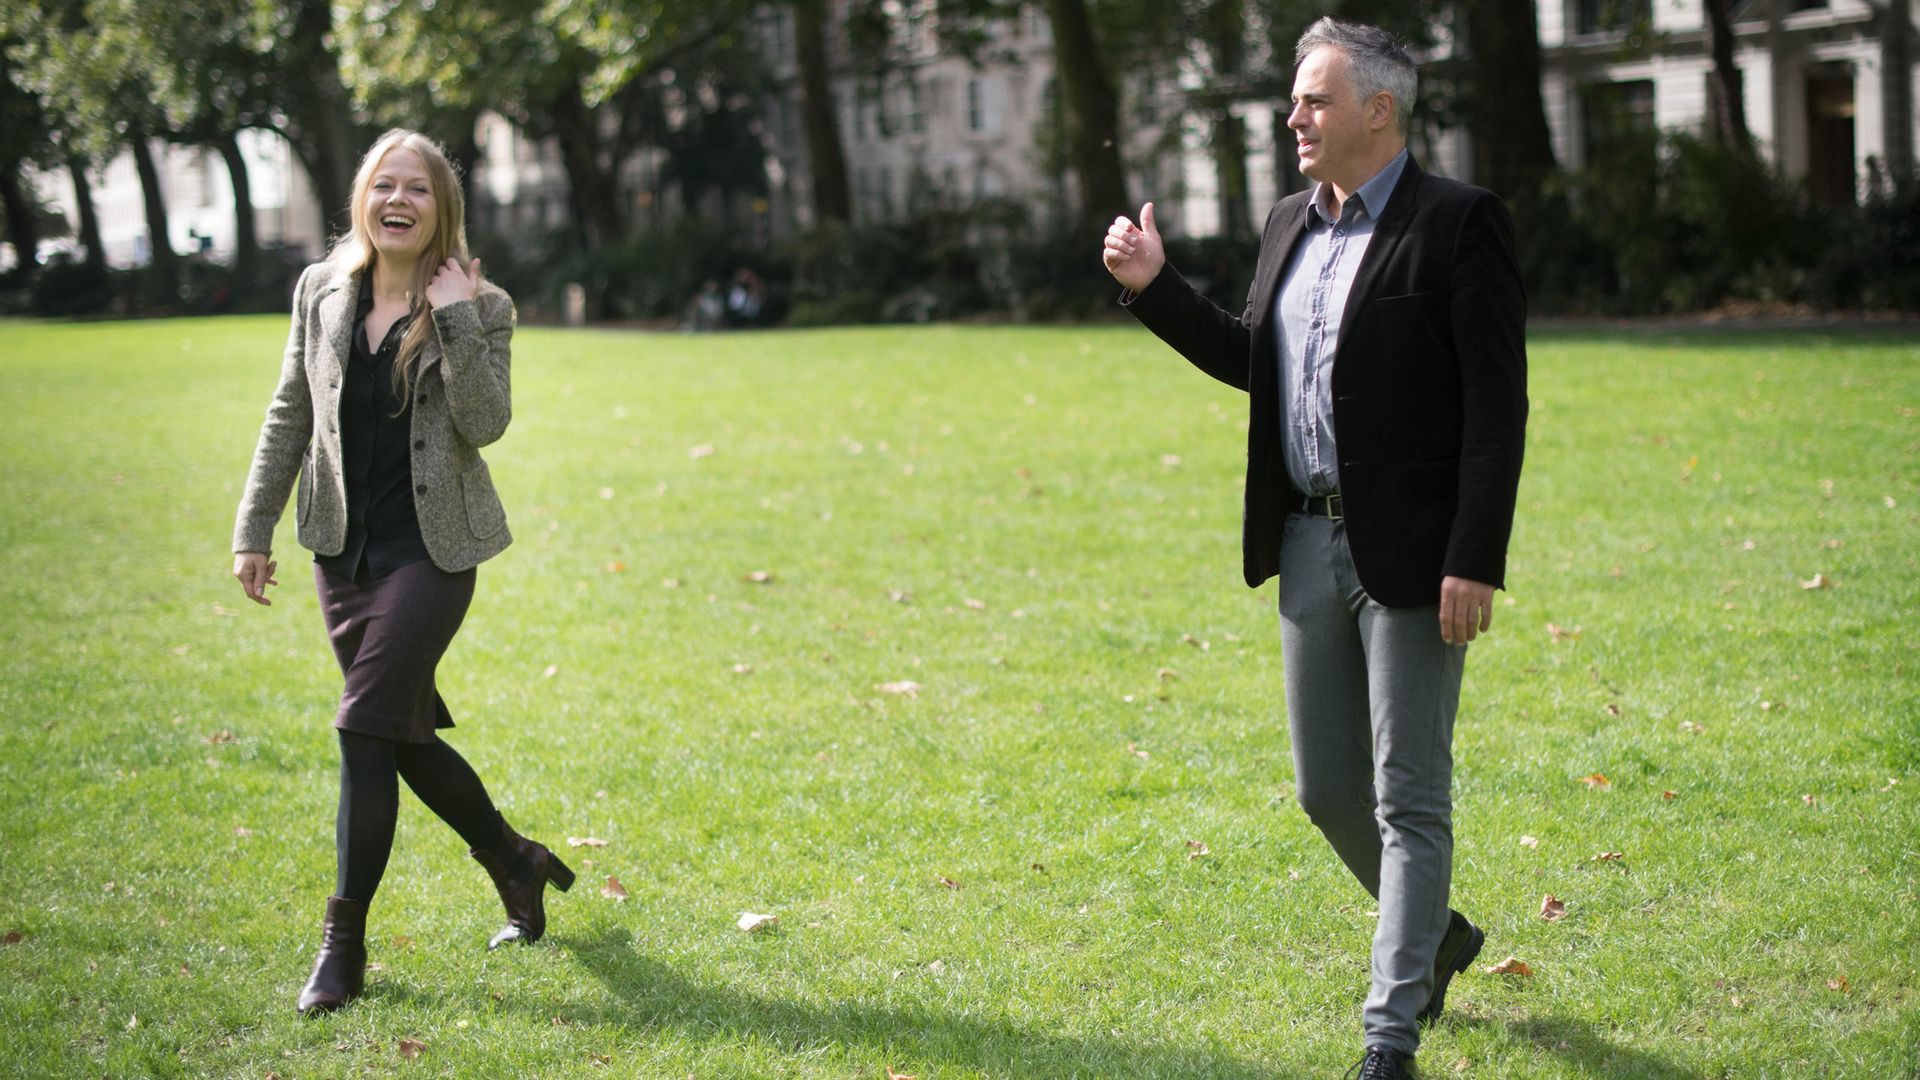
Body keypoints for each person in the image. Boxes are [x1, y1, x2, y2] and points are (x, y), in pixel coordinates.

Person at [1101, 18, 1527, 1079]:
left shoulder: (1459, 224)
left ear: (1379, 111)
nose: (1294, 116)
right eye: (1296, 100)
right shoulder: (1289, 221)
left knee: (1408, 795)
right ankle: (1440, 936)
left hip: (1418, 558)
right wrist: (1156, 289)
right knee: (1325, 791)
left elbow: (1496, 407)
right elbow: (1260, 363)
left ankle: (1390, 1035)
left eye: (1315, 99)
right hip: (1305, 542)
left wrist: (1475, 554)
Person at [231, 129, 574, 1017]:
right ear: (361, 198)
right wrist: (253, 527)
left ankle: (341, 950)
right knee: (399, 737)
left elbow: (487, 422)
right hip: (342, 553)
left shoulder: (483, 305)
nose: (398, 201)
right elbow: (289, 411)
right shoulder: (320, 290)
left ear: (441, 208)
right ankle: (516, 859)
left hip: (434, 554)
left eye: (416, 189)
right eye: (384, 185)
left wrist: (456, 316)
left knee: (359, 729)